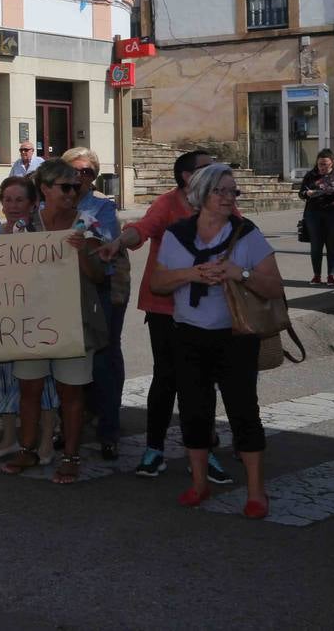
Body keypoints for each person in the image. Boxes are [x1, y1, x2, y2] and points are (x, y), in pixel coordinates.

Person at [151, 164, 280, 518]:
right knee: (194, 412)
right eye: (220, 191)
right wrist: (192, 274)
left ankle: (256, 493)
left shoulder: (246, 233)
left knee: (244, 412)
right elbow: (157, 284)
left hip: (236, 337)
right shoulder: (177, 234)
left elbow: (274, 288)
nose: (228, 198)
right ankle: (199, 484)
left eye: (232, 191)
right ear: (200, 195)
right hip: (189, 336)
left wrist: (241, 273)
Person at [96, 150, 232, 482]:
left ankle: (203, 451)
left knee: (202, 382)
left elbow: (242, 238)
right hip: (166, 308)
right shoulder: (168, 204)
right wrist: (118, 241)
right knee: (166, 379)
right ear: (188, 177)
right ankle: (154, 450)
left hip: (210, 310)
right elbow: (141, 229)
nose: (216, 173)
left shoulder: (224, 204)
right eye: (207, 168)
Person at [1, 159, 107, 484]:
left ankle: (71, 455)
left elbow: (100, 276)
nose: (74, 192)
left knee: (71, 392)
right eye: (66, 187)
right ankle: (28, 448)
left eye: (77, 186)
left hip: (74, 320)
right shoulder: (23, 228)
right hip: (32, 320)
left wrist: (80, 253)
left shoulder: (86, 224)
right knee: (29, 388)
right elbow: (5, 275)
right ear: (45, 189)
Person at [0, 175, 61, 460]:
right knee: (4, 378)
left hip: (38, 317)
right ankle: (8, 439)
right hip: (6, 318)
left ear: (32, 203)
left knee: (44, 381)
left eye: (19, 200)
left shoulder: (43, 232)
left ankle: (46, 441)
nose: (13, 205)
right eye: (7, 200)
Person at [62, 146, 126, 460]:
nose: (79, 177)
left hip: (103, 287)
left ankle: (109, 429)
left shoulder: (102, 206)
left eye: (87, 171)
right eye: (74, 170)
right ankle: (76, 418)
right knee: (69, 356)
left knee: (103, 356)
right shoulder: (53, 201)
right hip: (63, 289)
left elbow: (107, 243)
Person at [298, 147, 334, 285]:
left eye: (325, 164)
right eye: (320, 164)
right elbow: (301, 192)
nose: (321, 167)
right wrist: (307, 194)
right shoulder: (311, 175)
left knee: (332, 245)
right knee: (316, 246)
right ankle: (316, 276)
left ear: (331, 162)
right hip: (313, 214)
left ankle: (331, 276)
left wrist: (330, 190)